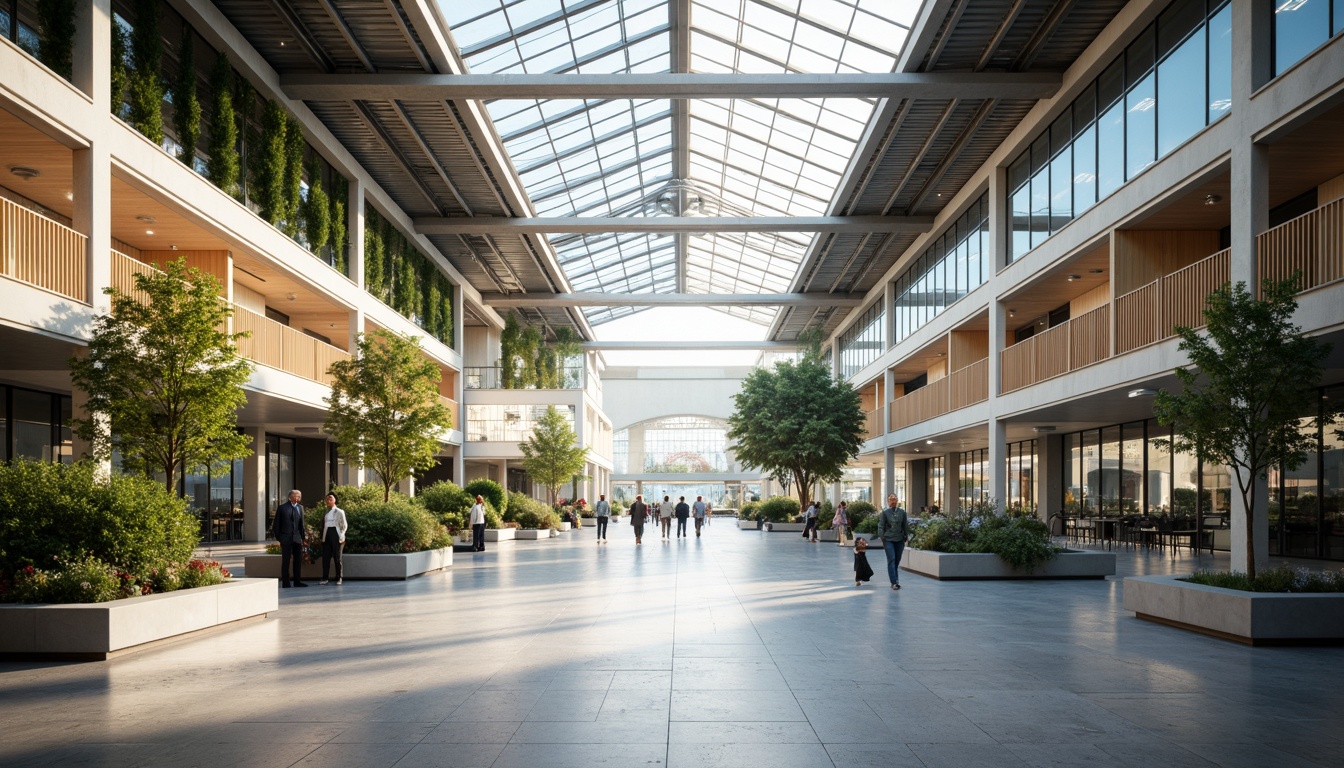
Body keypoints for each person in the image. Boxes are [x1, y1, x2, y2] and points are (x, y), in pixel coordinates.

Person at [272, 490, 308, 588]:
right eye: (295, 496)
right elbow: (276, 525)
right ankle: (286, 582)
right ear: (290, 497)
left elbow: (302, 525)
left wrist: (303, 538)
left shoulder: (300, 508)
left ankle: (297, 581)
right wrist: (280, 538)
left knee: (297, 561)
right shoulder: (282, 508)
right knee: (286, 561)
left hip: (297, 538)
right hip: (286, 538)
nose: (297, 498)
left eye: (299, 497)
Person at [876, 494, 909, 590]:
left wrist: (906, 536)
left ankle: (896, 579)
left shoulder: (902, 512)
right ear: (888, 501)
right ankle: (894, 582)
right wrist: (882, 537)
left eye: (894, 499)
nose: (893, 501)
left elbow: (905, 525)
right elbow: (881, 525)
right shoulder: (885, 513)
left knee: (897, 560)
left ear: (897, 501)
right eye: (891, 499)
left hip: (899, 539)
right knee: (891, 559)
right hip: (888, 539)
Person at [320, 493, 348, 585]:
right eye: (327, 499)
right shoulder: (326, 512)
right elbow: (323, 525)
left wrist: (342, 535)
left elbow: (344, 525)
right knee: (326, 557)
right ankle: (325, 577)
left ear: (335, 500)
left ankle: (339, 577)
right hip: (327, 534)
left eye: (330, 499)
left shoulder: (340, 511)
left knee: (337, 557)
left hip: (336, 534)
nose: (328, 501)